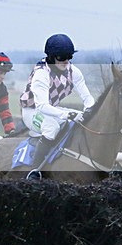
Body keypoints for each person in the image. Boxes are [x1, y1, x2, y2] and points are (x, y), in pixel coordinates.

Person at [19, 34, 95, 179]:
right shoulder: (41, 74)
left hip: (52, 109)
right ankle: (34, 171)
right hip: (32, 110)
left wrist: (89, 109)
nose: (66, 62)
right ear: (51, 57)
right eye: (61, 57)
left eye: (69, 57)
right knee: (51, 128)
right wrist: (67, 115)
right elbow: (42, 106)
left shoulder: (74, 72)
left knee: (80, 120)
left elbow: (87, 97)